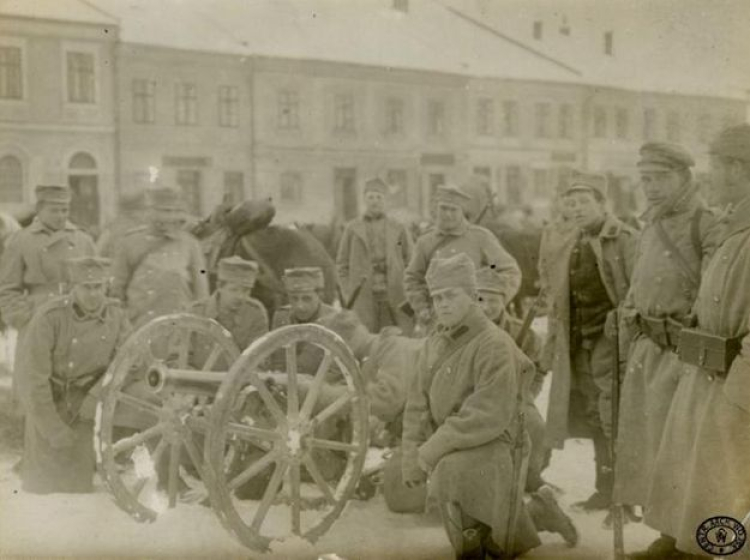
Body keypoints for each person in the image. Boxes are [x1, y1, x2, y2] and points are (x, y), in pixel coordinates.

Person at [402, 254, 576, 560]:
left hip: (499, 439)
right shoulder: (433, 344)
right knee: (401, 490)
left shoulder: (493, 343)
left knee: (449, 473)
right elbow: (417, 405)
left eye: (451, 295)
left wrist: (429, 451)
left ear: (472, 296)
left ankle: (491, 535)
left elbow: (486, 413)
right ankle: (531, 516)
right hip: (456, 439)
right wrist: (410, 458)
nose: (442, 304)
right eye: (437, 297)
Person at [639, 125, 750, 559]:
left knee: (724, 479)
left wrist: (740, 390)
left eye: (716, 168)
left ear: (738, 168)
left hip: (735, 376)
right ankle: (680, 541)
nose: (710, 179)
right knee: (690, 465)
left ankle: (704, 549)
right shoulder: (733, 224)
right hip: (706, 367)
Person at [613, 143, 721, 551]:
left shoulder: (705, 223)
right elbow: (640, 281)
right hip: (648, 351)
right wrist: (627, 315)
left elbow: (716, 293)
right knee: (654, 448)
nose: (651, 188)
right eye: (645, 179)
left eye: (660, 178)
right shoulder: (650, 223)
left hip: (684, 356)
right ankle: (668, 534)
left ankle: (690, 541)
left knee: (684, 452)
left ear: (684, 176)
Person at [543, 171, 637, 512]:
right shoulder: (571, 240)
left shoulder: (624, 238)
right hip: (578, 343)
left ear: (602, 204)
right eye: (572, 203)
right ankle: (605, 489)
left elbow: (637, 291)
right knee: (596, 416)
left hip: (612, 344)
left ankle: (626, 497)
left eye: (585, 202)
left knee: (616, 417)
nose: (578, 209)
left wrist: (620, 325)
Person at [15, 256, 130, 494]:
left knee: (77, 488)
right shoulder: (50, 317)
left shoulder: (117, 316)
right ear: (72, 288)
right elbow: (33, 379)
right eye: (86, 287)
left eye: (98, 287)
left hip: (85, 404)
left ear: (106, 286)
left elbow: (129, 363)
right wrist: (52, 428)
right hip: (49, 403)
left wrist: (97, 395)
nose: (93, 294)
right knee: (40, 489)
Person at [0, 184, 96, 407]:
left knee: (76, 382)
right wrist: (22, 316)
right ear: (39, 209)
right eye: (55, 210)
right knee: (37, 385)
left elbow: (96, 281)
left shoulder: (83, 239)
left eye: (65, 210)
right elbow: (7, 287)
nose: (61, 215)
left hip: (77, 316)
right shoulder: (21, 240)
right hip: (37, 316)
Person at [403, 183, 521, 328]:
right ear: (436, 209)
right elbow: (412, 278)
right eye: (444, 208)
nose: (448, 214)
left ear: (462, 211)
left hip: (475, 320)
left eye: (454, 209)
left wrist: (493, 303)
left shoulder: (481, 237)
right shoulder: (425, 242)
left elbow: (510, 271)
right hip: (437, 319)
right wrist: (422, 308)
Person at [476, 266, 549, 493]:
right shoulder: (458, 330)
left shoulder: (523, 333)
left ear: (505, 302)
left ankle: (529, 477)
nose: (487, 307)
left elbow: (538, 370)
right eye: (480, 299)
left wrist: (525, 396)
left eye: (493, 301)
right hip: (468, 400)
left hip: (512, 397)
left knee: (535, 426)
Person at [111, 187, 208, 329]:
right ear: (150, 211)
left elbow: (202, 294)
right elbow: (116, 291)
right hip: (140, 327)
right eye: (165, 211)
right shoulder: (129, 243)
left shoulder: (191, 244)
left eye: (176, 211)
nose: (171, 217)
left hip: (179, 328)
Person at [336, 177, 414, 333]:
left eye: (379, 197)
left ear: (386, 201)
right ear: (364, 199)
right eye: (371, 197)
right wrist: (349, 292)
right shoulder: (352, 228)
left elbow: (412, 262)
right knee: (365, 343)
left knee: (395, 342)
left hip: (394, 295)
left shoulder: (398, 227)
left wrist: (407, 289)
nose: (375, 201)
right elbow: (341, 265)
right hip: (363, 298)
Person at [190, 255, 268, 357]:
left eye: (246, 290)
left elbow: (258, 359)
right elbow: (178, 357)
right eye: (234, 290)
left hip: (241, 373)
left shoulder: (254, 314)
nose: (240, 296)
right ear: (219, 287)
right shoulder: (196, 312)